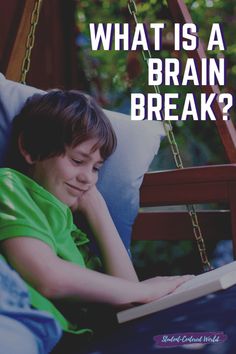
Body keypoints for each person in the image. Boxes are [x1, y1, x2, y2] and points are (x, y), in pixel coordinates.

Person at [0, 90, 192, 352]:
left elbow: (127, 300)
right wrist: (146, 291)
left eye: (96, 168)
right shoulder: (10, 185)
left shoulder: (73, 230)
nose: (88, 178)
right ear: (31, 149)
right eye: (78, 160)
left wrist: (99, 212)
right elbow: (47, 275)